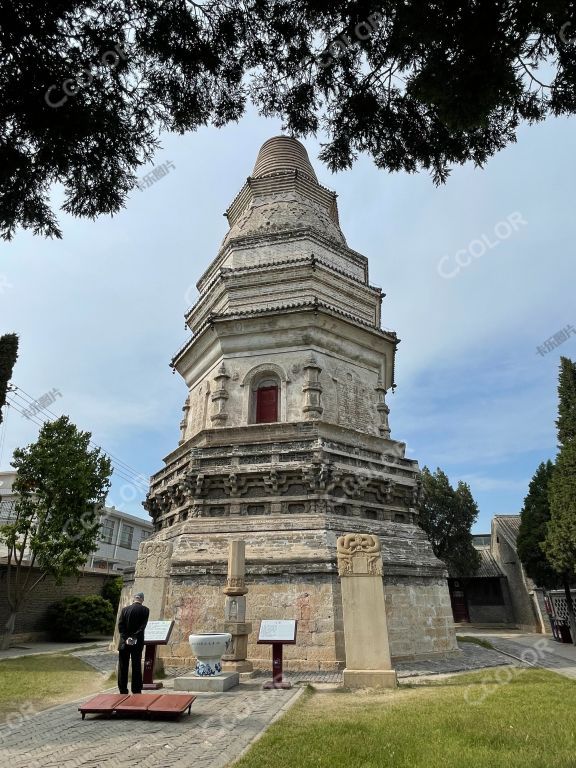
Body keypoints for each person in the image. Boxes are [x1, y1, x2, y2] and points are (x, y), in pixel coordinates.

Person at [117, 591, 150, 694]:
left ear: (134, 598)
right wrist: (134, 637)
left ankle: (123, 689)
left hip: (124, 643)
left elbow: (121, 626)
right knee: (136, 666)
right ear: (142, 599)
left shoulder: (124, 610)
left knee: (123, 666)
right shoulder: (145, 610)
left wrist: (126, 638)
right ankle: (136, 690)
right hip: (137, 642)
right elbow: (142, 627)